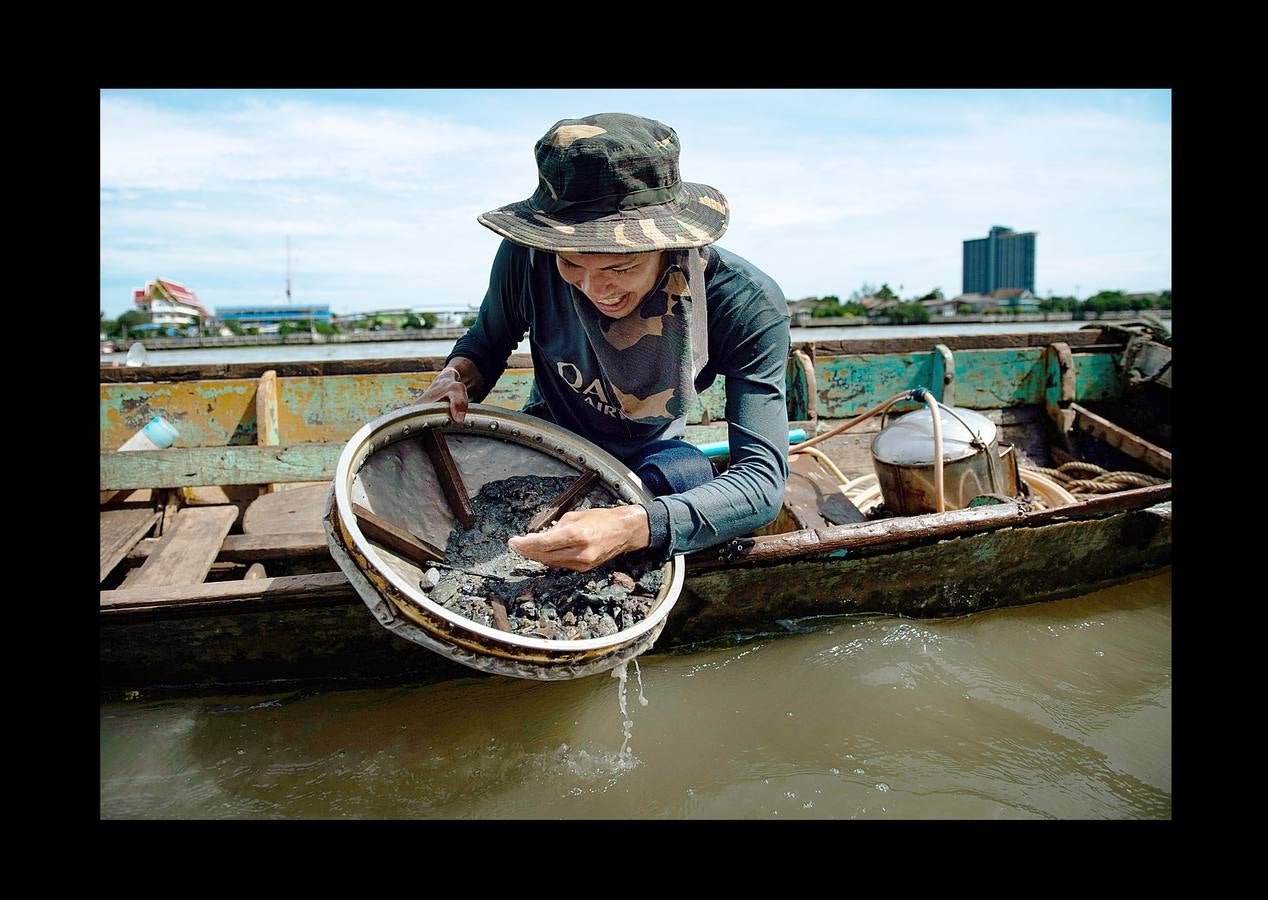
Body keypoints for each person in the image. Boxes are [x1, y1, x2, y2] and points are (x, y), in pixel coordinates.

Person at [419, 112, 789, 572]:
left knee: (691, 477)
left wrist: (633, 526)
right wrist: (455, 377)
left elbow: (761, 483)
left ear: (668, 243)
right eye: (573, 265)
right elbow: (485, 344)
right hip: (548, 436)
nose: (597, 290)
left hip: (648, 456)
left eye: (620, 267)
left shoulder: (744, 303)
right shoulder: (527, 257)